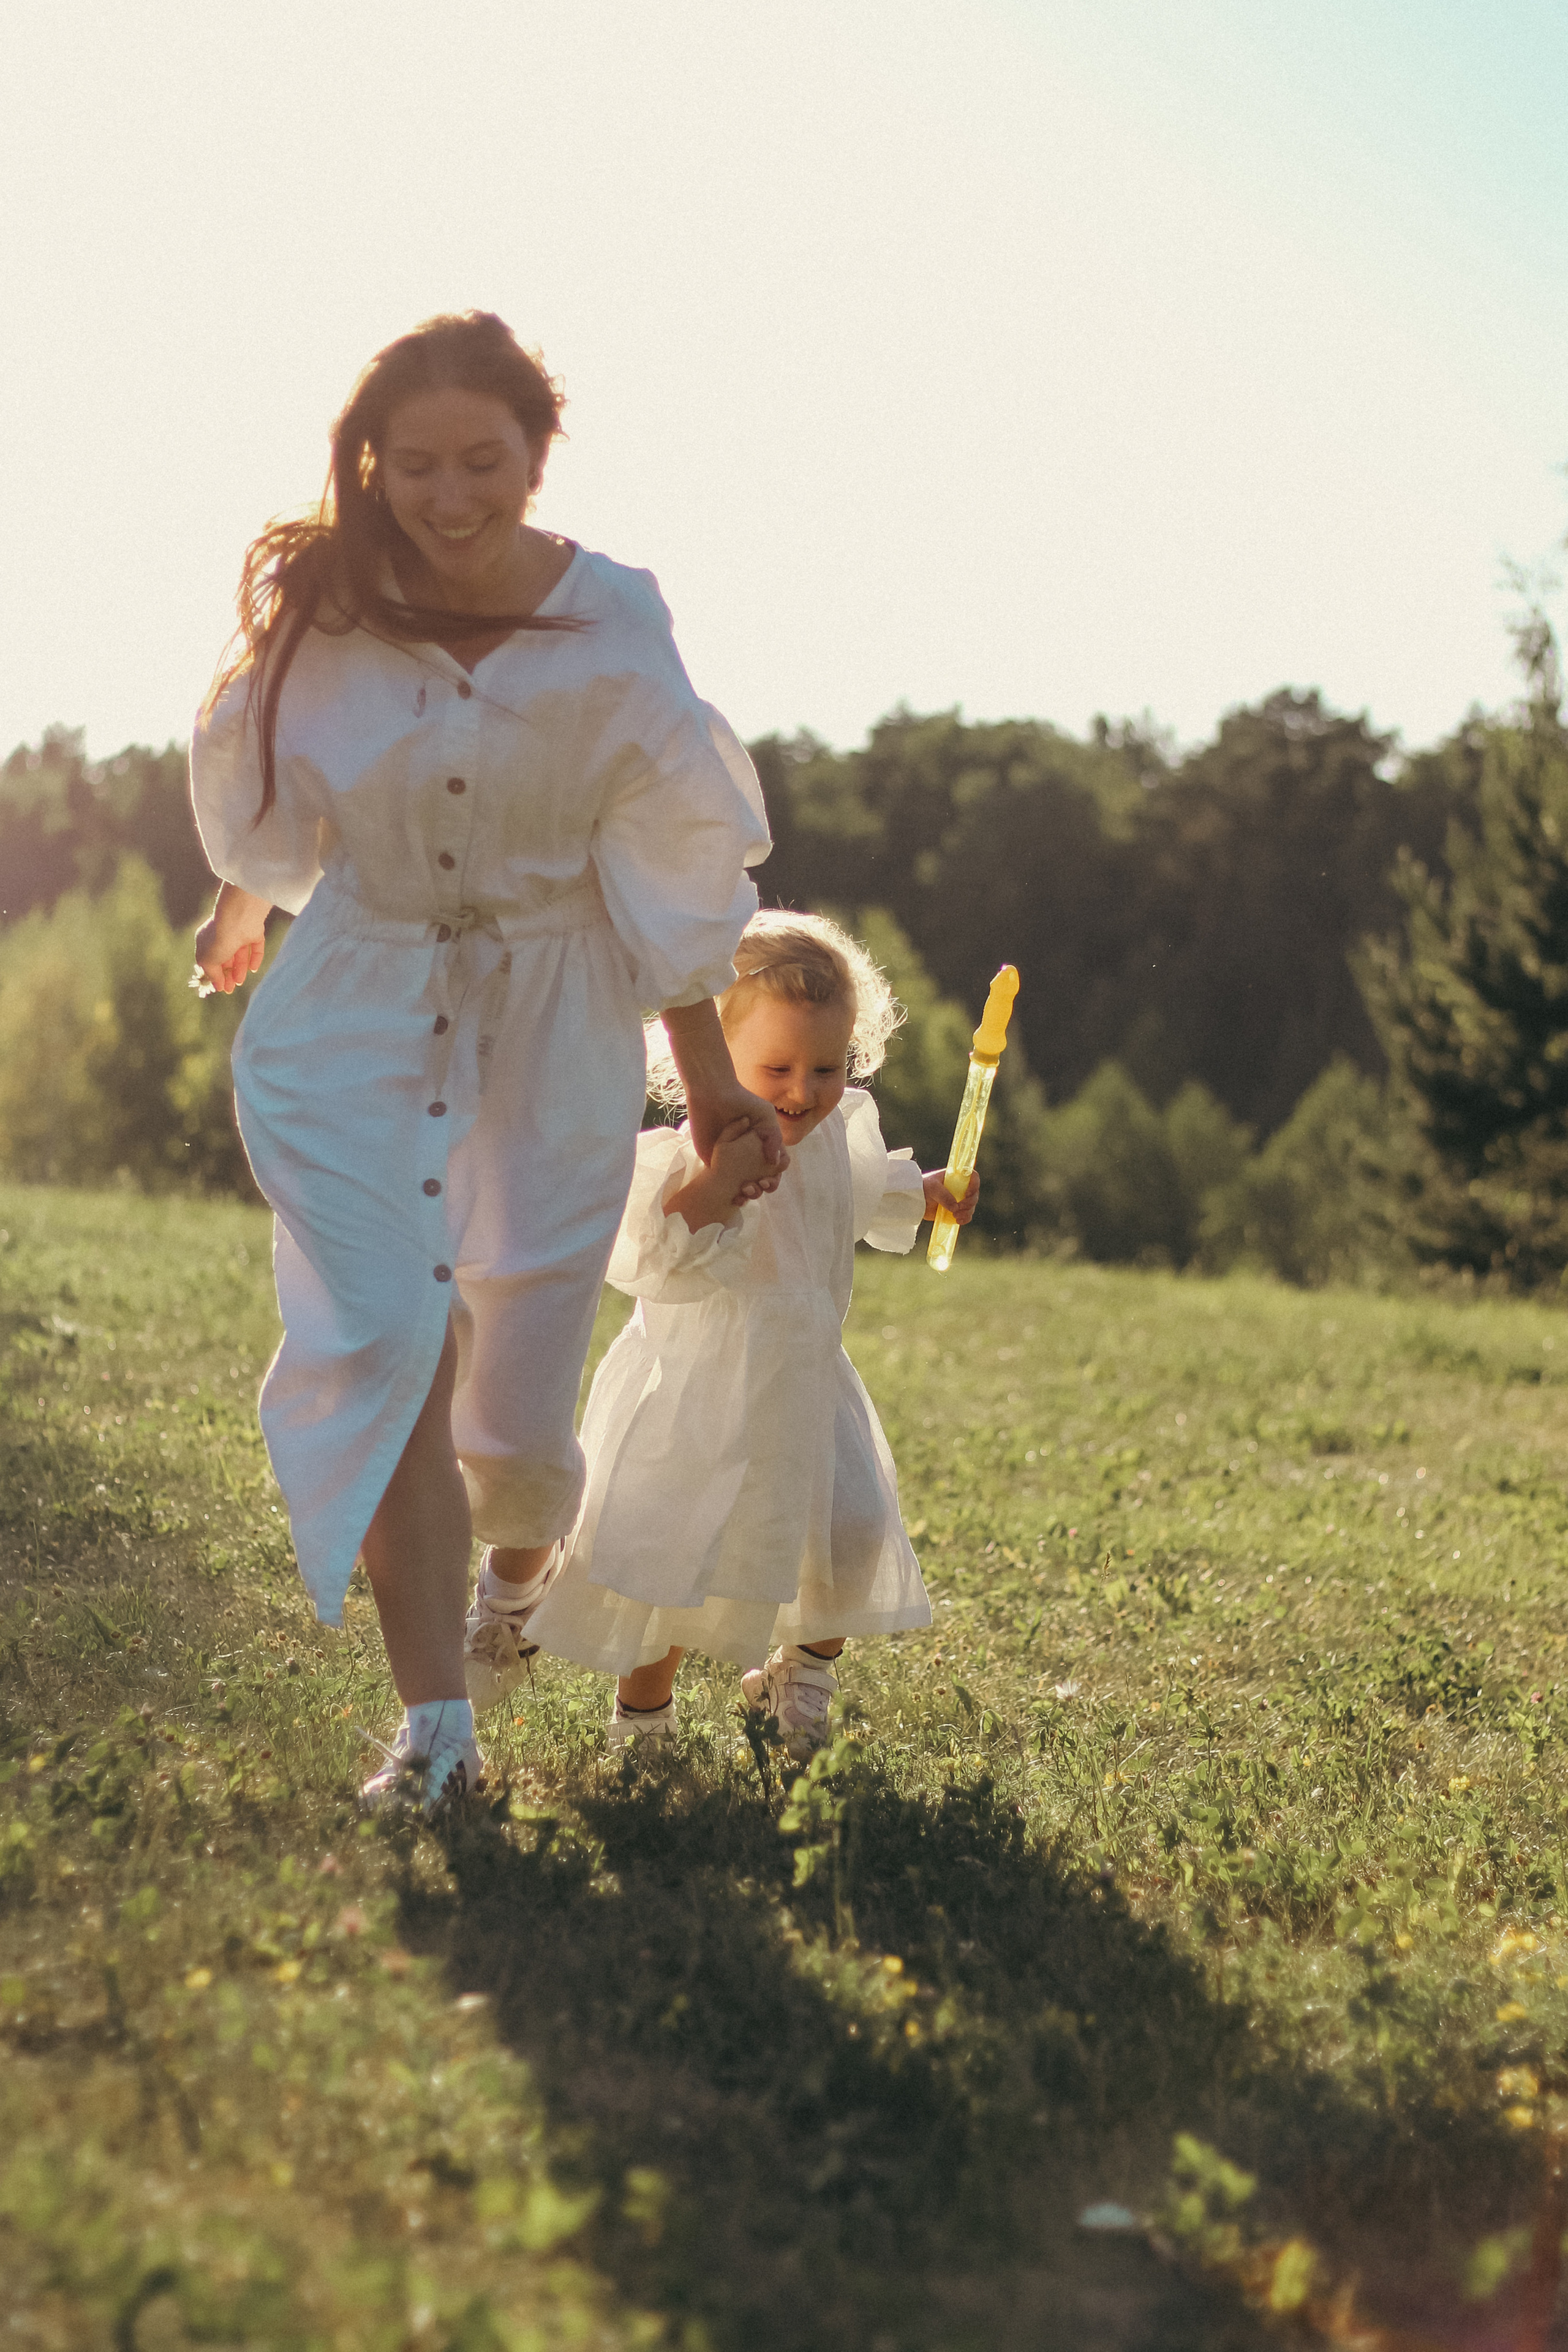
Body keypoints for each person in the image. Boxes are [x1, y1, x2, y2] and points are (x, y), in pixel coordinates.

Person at [190, 310, 784, 1815]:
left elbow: (659, 865)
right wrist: (246, 895)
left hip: (552, 1018)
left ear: (537, 452)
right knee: (389, 1340)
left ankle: (514, 1584)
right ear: (368, 466)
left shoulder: (616, 623)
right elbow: (278, 783)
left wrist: (709, 1085)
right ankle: (437, 1737)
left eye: (481, 462)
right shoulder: (331, 612)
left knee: (514, 1440)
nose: (448, 497)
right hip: (357, 1004)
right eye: (414, 467)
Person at [497, 911, 979, 1755]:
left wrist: (930, 1193)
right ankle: (644, 1715)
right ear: (709, 1059)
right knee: (674, 1570)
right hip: (695, 1397)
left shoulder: (833, 1140)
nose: (803, 1091)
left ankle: (801, 1675)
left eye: (826, 1067)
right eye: (777, 1068)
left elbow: (872, 1193)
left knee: (848, 1539)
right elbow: (651, 1253)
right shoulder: (684, 1159)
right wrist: (719, 1185)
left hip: (807, 1388)